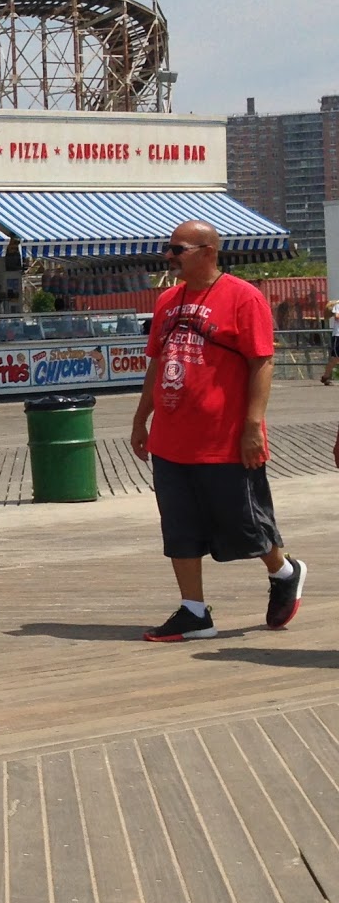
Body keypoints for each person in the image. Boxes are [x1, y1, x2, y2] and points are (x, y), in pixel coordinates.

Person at [130, 221, 307, 641]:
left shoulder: (243, 297)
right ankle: (194, 612)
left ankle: (284, 571)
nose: (168, 256)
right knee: (178, 526)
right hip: (172, 437)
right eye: (167, 249)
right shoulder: (168, 300)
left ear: (207, 251)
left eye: (177, 249)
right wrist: (141, 419)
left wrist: (252, 426)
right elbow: (157, 362)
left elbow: (261, 362)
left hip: (223, 437)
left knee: (244, 523)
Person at [321, 299, 339, 385]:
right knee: (335, 358)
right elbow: (337, 317)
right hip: (338, 335)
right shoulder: (338, 305)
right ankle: (325, 377)